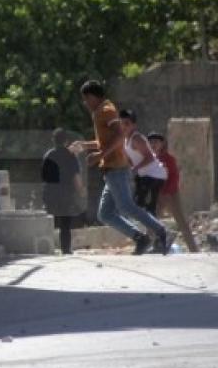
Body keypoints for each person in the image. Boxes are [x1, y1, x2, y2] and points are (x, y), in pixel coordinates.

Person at [71, 80, 173, 255]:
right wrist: (85, 145)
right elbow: (106, 141)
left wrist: (99, 156)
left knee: (127, 206)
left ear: (93, 97)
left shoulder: (106, 111)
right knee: (105, 214)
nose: (85, 103)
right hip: (111, 170)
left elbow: (119, 136)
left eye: (86, 99)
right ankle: (140, 238)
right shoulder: (102, 111)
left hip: (116, 168)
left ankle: (162, 231)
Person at [147, 131, 200, 253]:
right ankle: (146, 246)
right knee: (151, 221)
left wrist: (166, 194)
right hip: (157, 195)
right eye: (151, 142)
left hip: (171, 195)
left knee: (181, 222)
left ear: (162, 144)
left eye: (156, 142)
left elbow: (174, 178)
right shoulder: (149, 160)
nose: (153, 144)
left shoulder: (169, 159)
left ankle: (194, 249)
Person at [41, 128, 86, 254]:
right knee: (65, 223)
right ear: (66, 141)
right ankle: (65, 249)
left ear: (53, 140)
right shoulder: (70, 156)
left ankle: (45, 247)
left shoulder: (48, 155)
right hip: (65, 193)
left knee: (50, 220)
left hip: (50, 192)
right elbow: (75, 176)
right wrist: (81, 191)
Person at [119, 110, 168, 216]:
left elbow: (150, 158)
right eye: (121, 123)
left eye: (127, 124)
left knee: (141, 204)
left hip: (155, 174)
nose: (123, 127)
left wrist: (135, 168)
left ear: (134, 125)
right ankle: (152, 223)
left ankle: (152, 223)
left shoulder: (137, 139)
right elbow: (130, 160)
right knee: (142, 204)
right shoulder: (125, 140)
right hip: (145, 175)